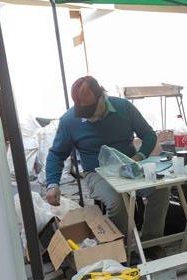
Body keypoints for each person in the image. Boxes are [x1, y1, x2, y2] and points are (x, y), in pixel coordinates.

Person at [46, 76, 171, 241]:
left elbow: (148, 135)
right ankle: (122, 249)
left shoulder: (124, 108)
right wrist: (52, 184)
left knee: (161, 189)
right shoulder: (69, 121)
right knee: (117, 202)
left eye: (91, 112)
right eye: (84, 113)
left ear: (102, 97)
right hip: (97, 172)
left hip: (130, 166)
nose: (88, 118)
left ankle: (152, 242)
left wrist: (138, 156)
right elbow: (57, 154)